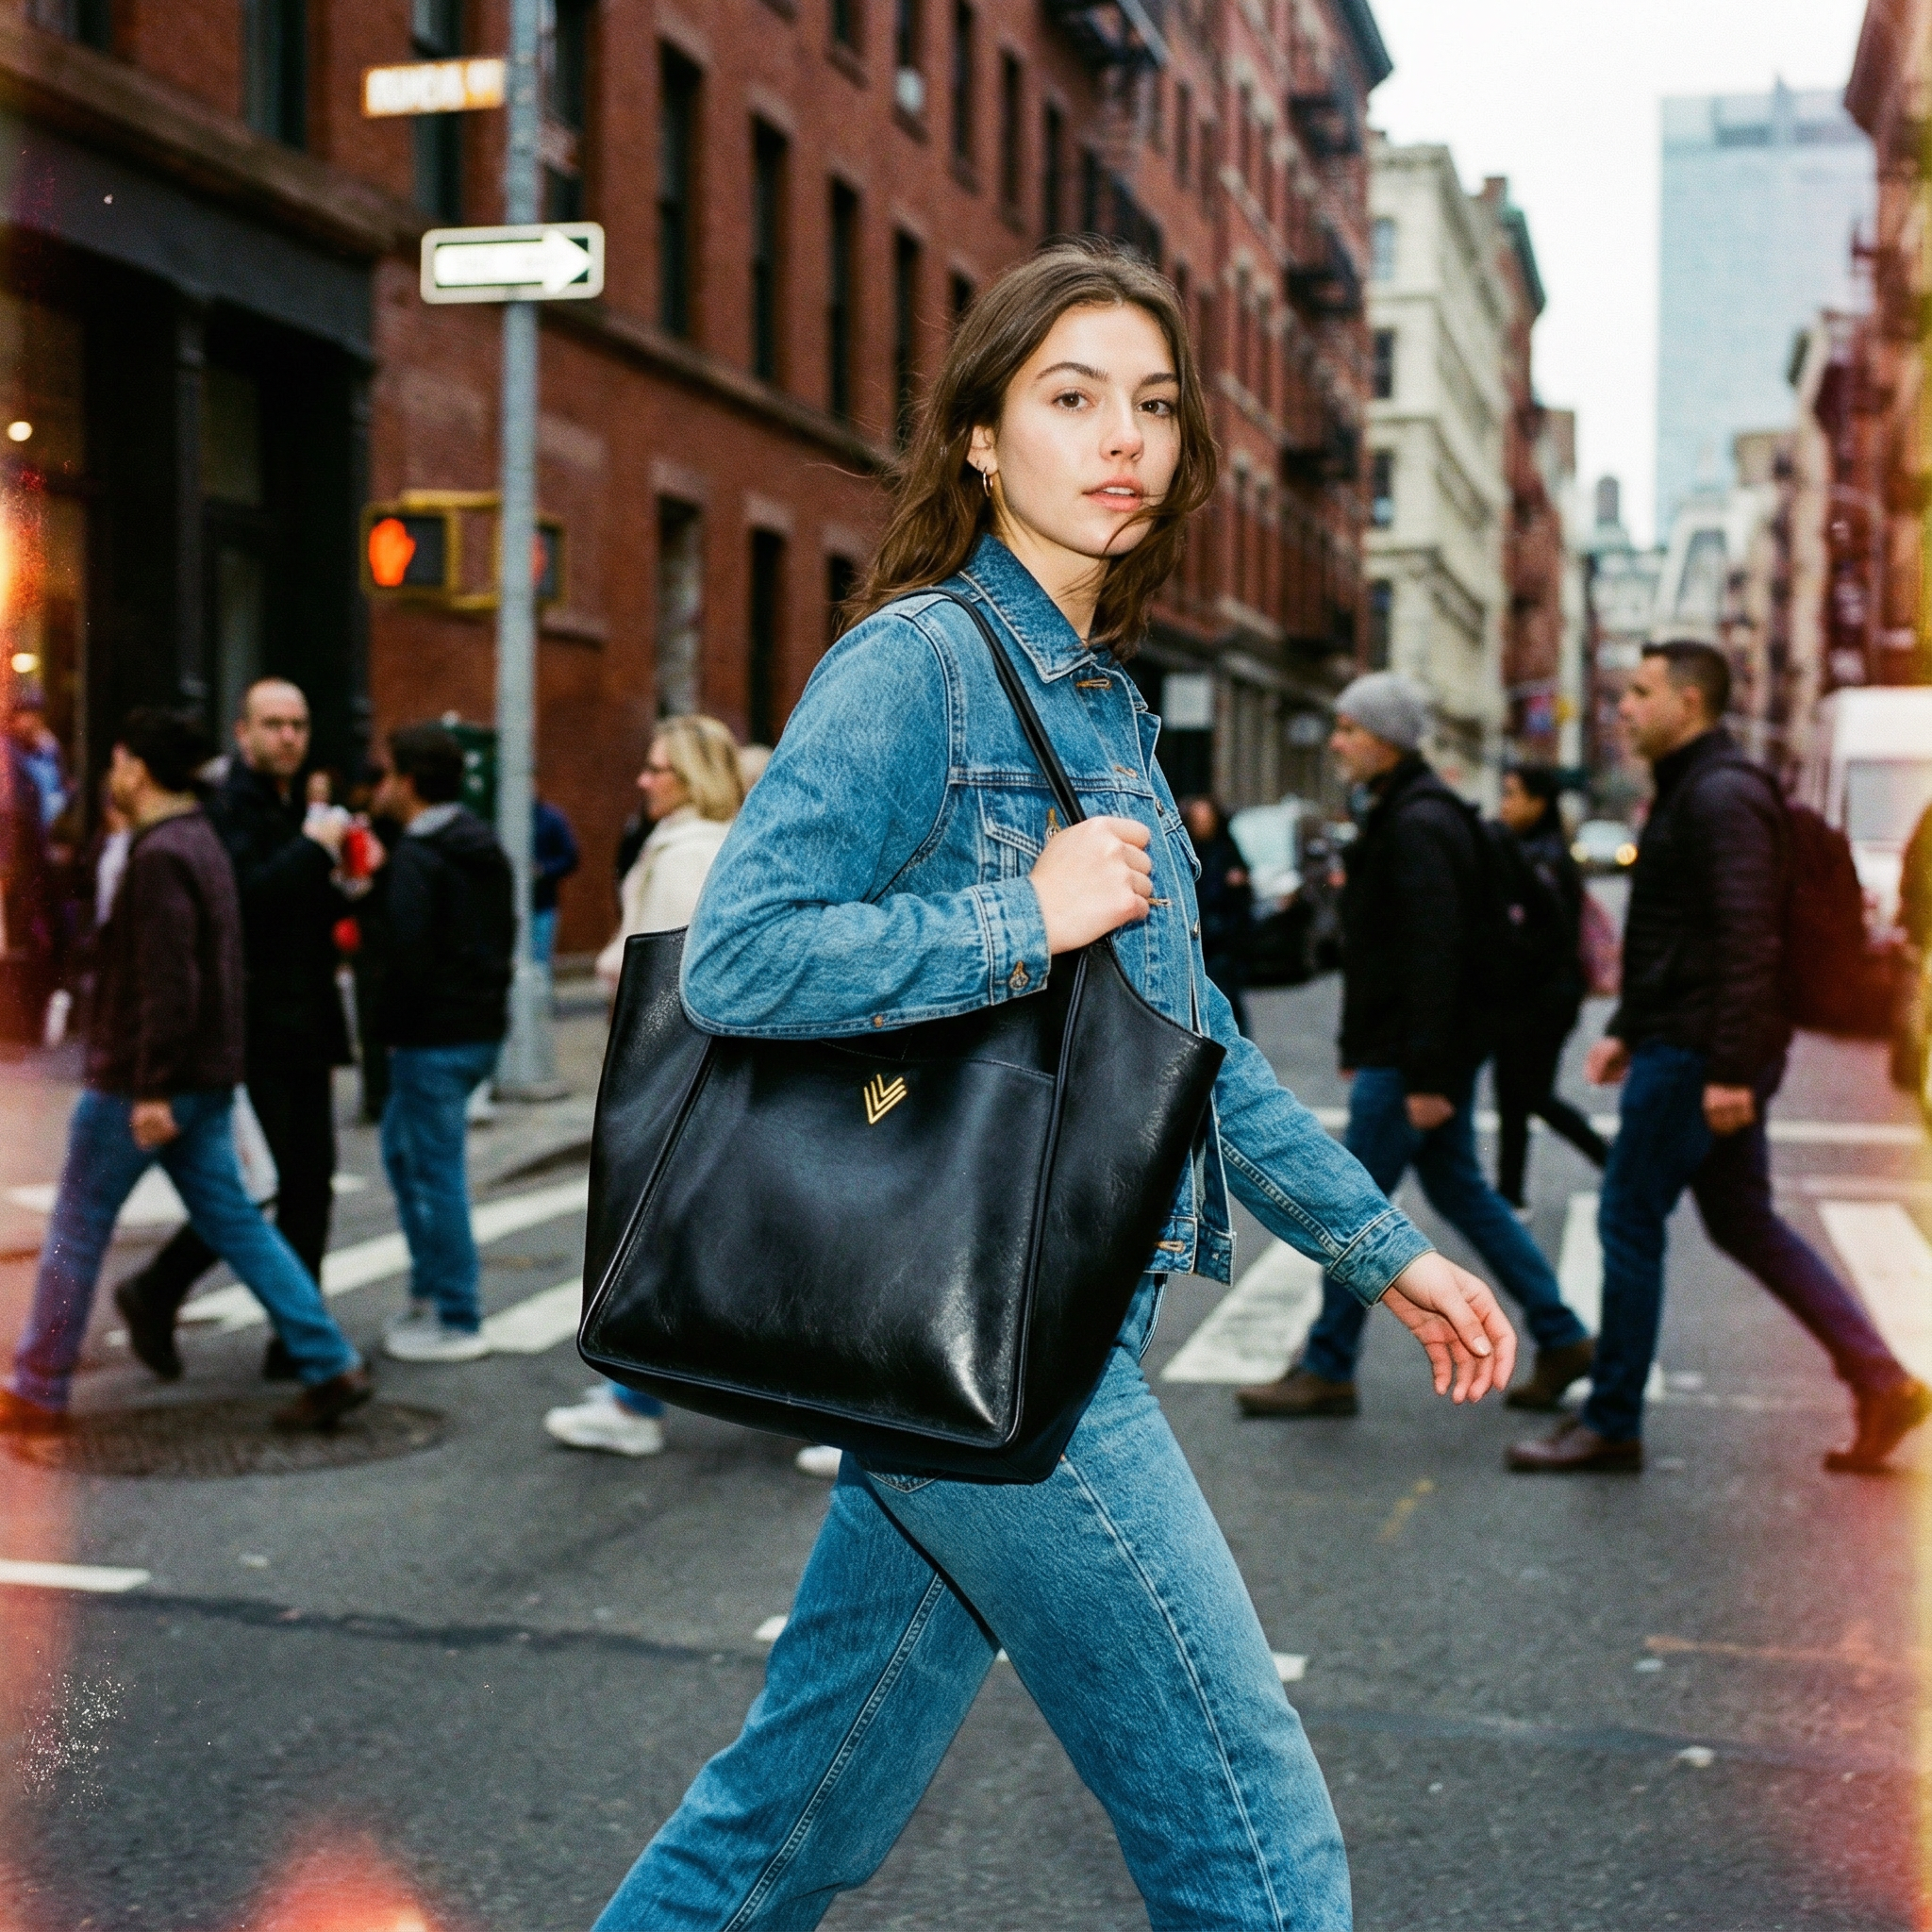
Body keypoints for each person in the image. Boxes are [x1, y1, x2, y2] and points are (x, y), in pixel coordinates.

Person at [589, 239, 1517, 1932]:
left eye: (1153, 405)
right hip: (1007, 1353)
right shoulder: (919, 666)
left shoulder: (1102, 715)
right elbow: (737, 958)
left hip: (983, 1341)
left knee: (792, 1816)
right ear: (976, 438)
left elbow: (1198, 1054)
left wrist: (1387, 1251)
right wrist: (1016, 914)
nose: (1124, 440)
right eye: (1070, 396)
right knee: (1257, 1854)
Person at [1510, 641, 1931, 1474]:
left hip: (1700, 1052)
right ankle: (1881, 1381)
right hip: (1688, 1040)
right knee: (1744, 1220)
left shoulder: (1722, 797)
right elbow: (1679, 933)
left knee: (1628, 1219)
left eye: (1640, 692)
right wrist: (1628, 1026)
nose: (1623, 707)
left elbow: (1748, 938)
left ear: (1691, 703)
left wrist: (1731, 1067)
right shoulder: (1695, 790)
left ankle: (1613, 1418)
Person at [1235, 673, 1595, 1422]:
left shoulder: (1417, 822)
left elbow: (1436, 956)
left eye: (1348, 729)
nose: (1337, 742)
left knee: (1345, 1205)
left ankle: (1330, 1364)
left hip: (1411, 1062)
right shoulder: (1407, 811)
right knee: (1461, 1189)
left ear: (1387, 739)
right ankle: (1561, 1334)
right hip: (1406, 1054)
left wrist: (1425, 1074)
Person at [0, 708, 369, 1436]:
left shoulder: (161, 855)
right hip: (204, 1078)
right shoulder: (199, 842)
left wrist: (153, 1086)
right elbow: (216, 972)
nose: (111, 776)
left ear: (135, 768)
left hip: (142, 1082)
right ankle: (330, 1363)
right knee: (238, 1224)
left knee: (77, 1228)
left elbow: (173, 984)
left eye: (115, 763)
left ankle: (38, 1386)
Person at [112, 679, 368, 1384]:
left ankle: (293, 1341)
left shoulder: (297, 807)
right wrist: (315, 854)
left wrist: (345, 888)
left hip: (307, 1019)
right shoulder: (228, 811)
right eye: (274, 724)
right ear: (243, 732)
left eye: (299, 724)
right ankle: (157, 1288)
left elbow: (301, 910)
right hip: (253, 1027)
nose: (289, 736)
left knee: (309, 1183)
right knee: (257, 1186)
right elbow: (245, 905)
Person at [548, 716, 745, 1458]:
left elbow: (663, 978)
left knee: (659, 1242)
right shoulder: (716, 843)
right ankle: (635, 1397)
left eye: (657, 768)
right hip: (701, 1076)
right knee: (687, 1242)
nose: (643, 779)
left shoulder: (684, 853)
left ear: (688, 775)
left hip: (672, 1075)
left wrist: (608, 964)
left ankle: (633, 1406)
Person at [362, 723, 516, 1364]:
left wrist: (388, 1034)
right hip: (474, 1029)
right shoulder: (483, 847)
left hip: (431, 1037)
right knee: (405, 1156)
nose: (382, 785)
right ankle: (432, 1294)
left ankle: (457, 1313)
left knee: (434, 1174)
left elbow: (406, 958)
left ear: (410, 782)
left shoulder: (418, 860)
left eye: (389, 773)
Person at [1489, 765, 1609, 1208]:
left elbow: (1547, 935)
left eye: (1513, 794)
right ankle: (1509, 1193)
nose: (1504, 804)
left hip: (1543, 999)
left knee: (1529, 1094)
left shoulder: (1543, 857)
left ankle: (1609, 1160)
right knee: (1514, 1098)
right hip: (1527, 997)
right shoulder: (1531, 848)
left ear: (1539, 802)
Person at [1180, 794, 1253, 1034]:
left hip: (1223, 941)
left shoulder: (1226, 849)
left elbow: (1243, 897)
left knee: (1227, 1000)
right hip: (1196, 939)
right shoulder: (1188, 851)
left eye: (1206, 818)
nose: (1203, 824)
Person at [530, 790, 580, 970]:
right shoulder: (504, 817)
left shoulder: (551, 818)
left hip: (542, 905)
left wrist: (543, 870)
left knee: (540, 965)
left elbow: (570, 857)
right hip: (511, 908)